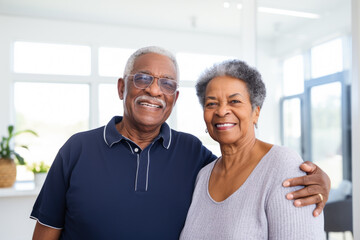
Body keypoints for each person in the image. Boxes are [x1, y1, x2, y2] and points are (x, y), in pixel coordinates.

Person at [30, 46, 330, 240]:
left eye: (168, 84)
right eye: (142, 78)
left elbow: (254, 169)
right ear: (122, 87)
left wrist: (319, 180)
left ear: (175, 97)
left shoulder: (193, 156)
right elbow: (46, 232)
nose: (154, 90)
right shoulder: (77, 149)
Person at [180, 60, 325, 239]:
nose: (222, 111)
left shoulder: (283, 166)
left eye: (234, 101)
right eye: (211, 104)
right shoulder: (203, 176)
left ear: (256, 112)